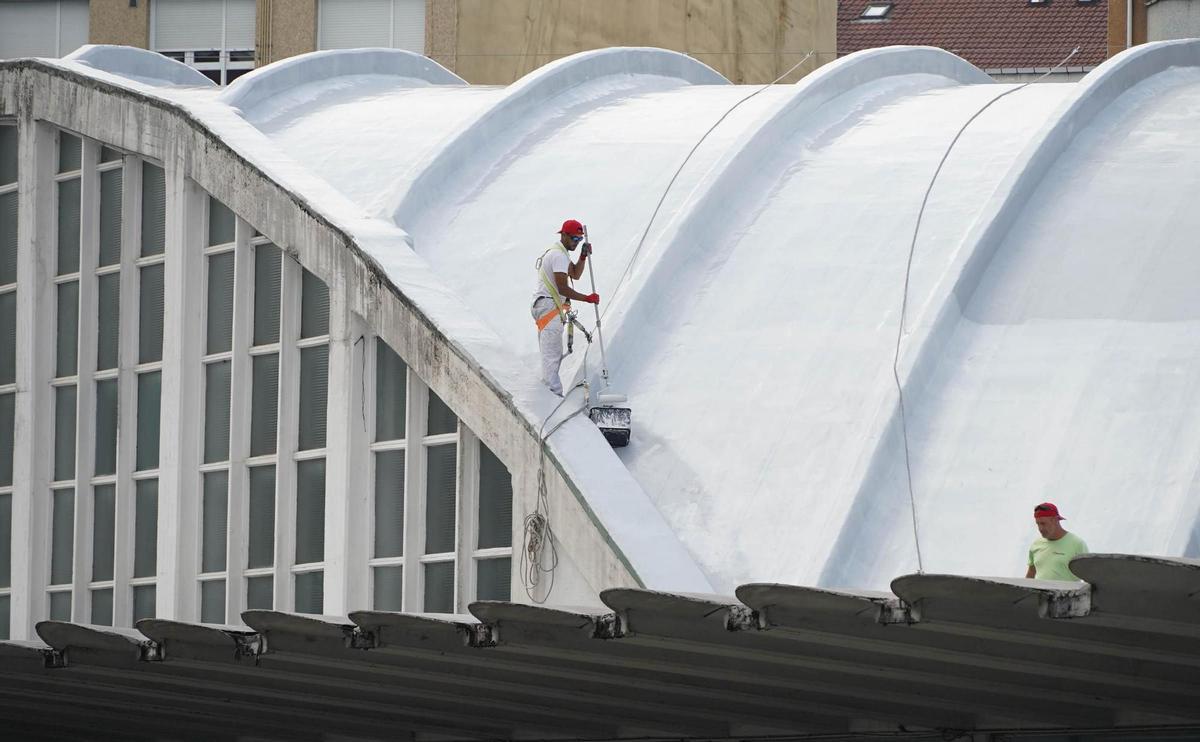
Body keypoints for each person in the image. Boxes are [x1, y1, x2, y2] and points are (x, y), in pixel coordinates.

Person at [531, 219, 599, 396]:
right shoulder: (558, 256)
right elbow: (562, 287)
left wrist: (582, 257)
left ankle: (550, 394)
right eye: (574, 239)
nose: (576, 242)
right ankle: (553, 397)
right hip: (549, 308)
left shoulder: (560, 254)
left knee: (551, 356)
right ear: (564, 235)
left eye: (579, 239)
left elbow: (575, 274)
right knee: (552, 358)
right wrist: (586, 298)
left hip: (547, 308)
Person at [1025, 502, 1088, 581]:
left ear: (1055, 520)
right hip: (1040, 589)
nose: (1040, 528)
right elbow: (1031, 574)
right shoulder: (1036, 544)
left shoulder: (1077, 544)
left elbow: (1089, 576)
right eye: (1038, 524)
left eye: (1043, 523)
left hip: (1069, 589)